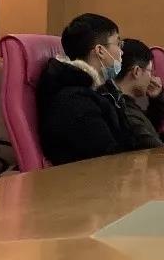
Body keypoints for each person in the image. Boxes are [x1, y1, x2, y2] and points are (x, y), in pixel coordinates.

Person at [37, 13, 135, 165]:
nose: (122, 52)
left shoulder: (99, 90)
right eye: (118, 43)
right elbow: (109, 158)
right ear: (100, 50)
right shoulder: (74, 101)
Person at [113, 39, 164, 150]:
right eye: (150, 71)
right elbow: (156, 150)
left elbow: (148, 125)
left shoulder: (122, 103)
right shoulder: (124, 111)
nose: (152, 78)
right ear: (136, 71)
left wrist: (156, 100)